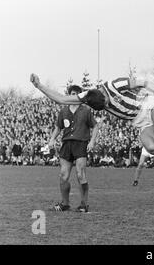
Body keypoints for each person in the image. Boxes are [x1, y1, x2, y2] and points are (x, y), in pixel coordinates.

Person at [30, 74, 154, 156]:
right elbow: (61, 99)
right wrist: (39, 86)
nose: (108, 106)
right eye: (105, 107)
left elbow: (144, 82)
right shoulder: (87, 96)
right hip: (139, 122)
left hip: (149, 105)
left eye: (107, 102)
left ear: (103, 94)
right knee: (153, 149)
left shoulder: (115, 85)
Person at [48, 85, 100, 213]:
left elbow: (96, 126)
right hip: (66, 144)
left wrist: (92, 141)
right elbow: (58, 127)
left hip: (80, 143)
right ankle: (65, 203)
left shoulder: (86, 111)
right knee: (63, 175)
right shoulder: (64, 111)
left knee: (80, 174)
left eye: (75, 93)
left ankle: (84, 204)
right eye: (71, 93)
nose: (73, 95)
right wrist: (52, 139)